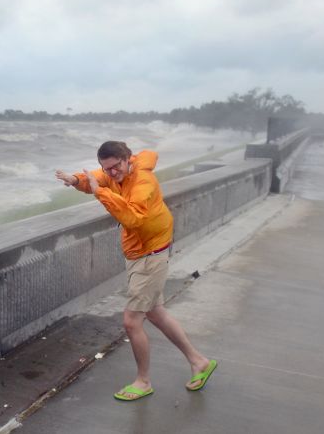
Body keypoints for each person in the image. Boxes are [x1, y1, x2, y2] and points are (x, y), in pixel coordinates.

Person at [55, 140, 217, 401]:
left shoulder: (143, 182)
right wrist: (75, 180)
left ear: (128, 158)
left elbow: (132, 216)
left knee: (131, 322)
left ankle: (143, 381)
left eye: (115, 166)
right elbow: (96, 178)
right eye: (106, 168)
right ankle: (199, 362)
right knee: (156, 314)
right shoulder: (115, 175)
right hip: (141, 251)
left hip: (150, 255)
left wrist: (101, 193)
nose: (111, 173)